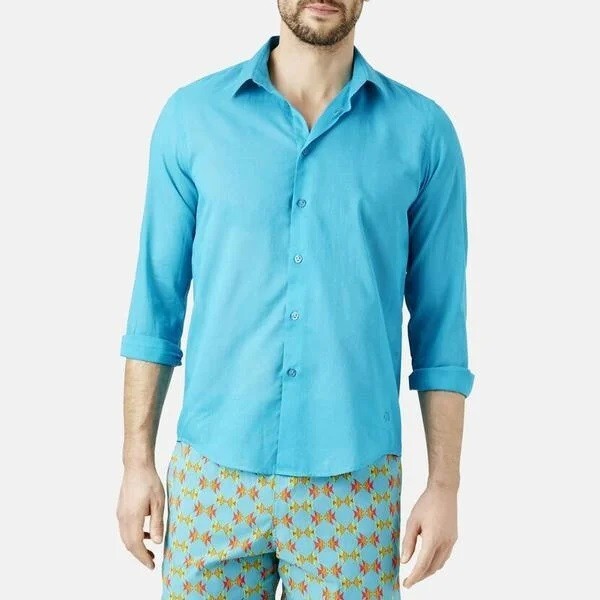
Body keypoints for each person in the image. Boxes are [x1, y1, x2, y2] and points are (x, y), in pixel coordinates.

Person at [116, 1, 475, 597]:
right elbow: (155, 305)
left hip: (355, 484)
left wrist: (445, 486)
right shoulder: (192, 118)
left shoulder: (423, 133)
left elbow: (441, 326)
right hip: (213, 477)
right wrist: (136, 463)